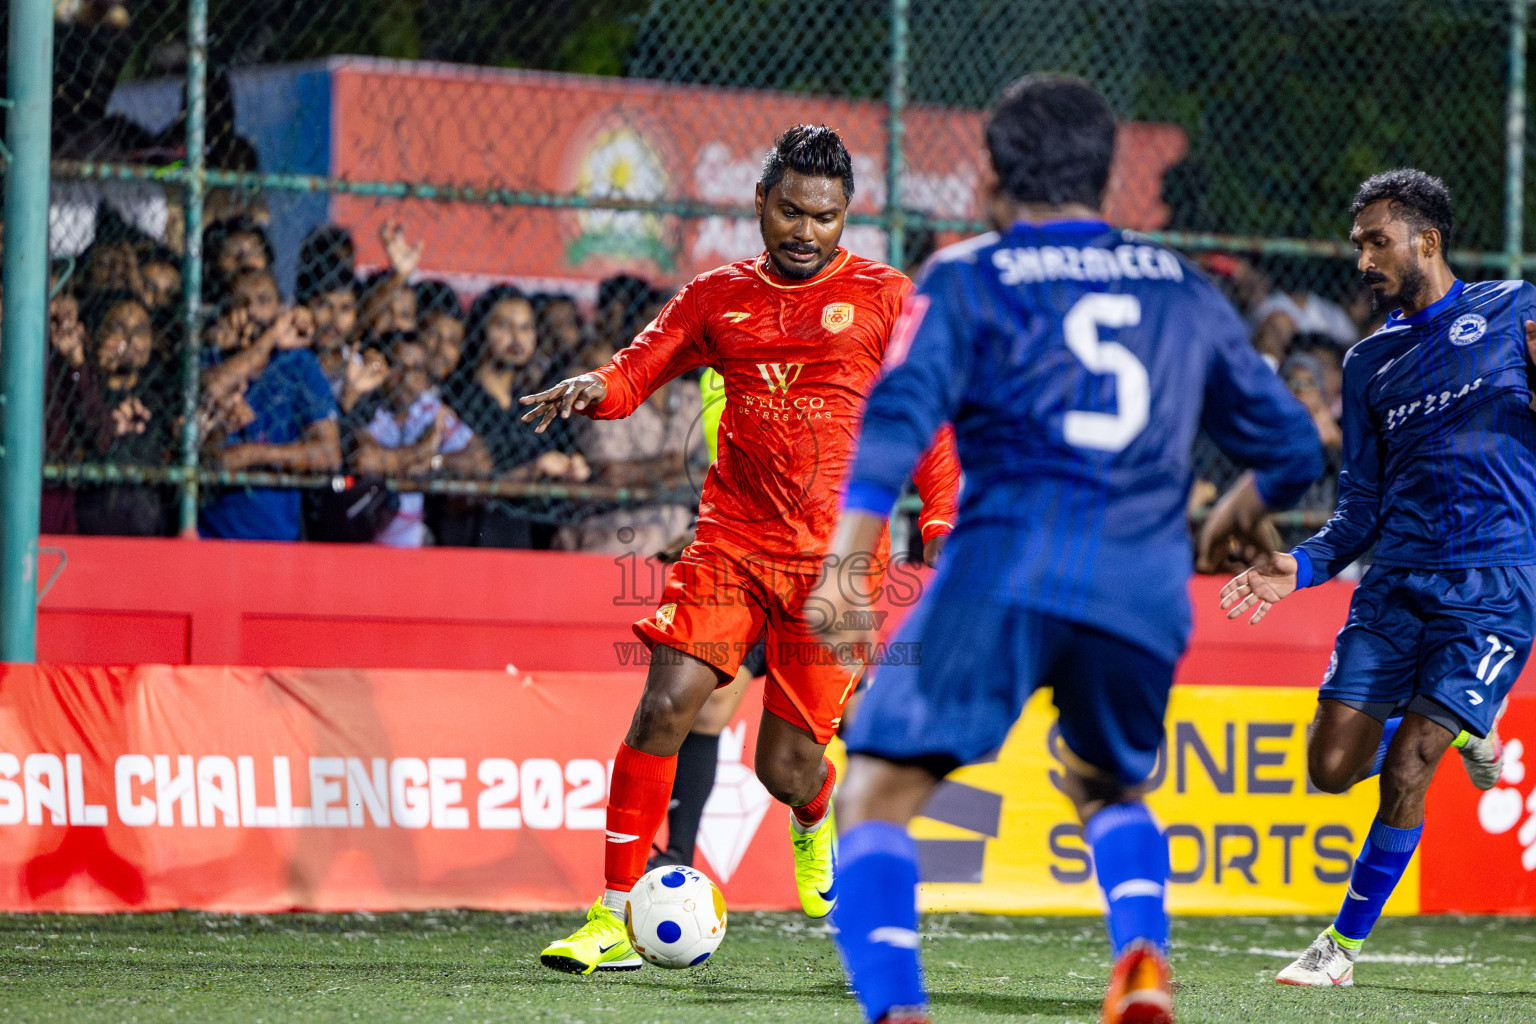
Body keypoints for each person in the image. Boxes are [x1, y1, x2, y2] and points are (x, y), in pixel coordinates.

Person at [805, 75, 1323, 1024]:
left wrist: (847, 563)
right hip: (1141, 586)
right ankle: (1141, 957)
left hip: (1006, 569)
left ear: (995, 176)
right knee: (1105, 780)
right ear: (1106, 173)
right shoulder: (1183, 288)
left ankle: (899, 1011)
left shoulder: (968, 274)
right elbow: (1292, 447)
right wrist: (1228, 516)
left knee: (873, 791)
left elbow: (897, 418)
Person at [521, 124, 960, 976]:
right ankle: (613, 914)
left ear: (847, 218)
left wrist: (940, 527)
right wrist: (593, 387)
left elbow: (932, 423)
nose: (805, 231)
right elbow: (635, 373)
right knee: (663, 706)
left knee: (787, 767)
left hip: (837, 562)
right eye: (790, 211)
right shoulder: (714, 296)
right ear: (760, 203)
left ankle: (815, 812)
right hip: (731, 539)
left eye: (824, 218)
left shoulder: (885, 298)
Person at [1217, 168, 1536, 988]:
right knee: (1330, 770)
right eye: (1359, 243)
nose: (1362, 258)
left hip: (1494, 584)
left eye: (1376, 241)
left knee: (1408, 768)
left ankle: (1341, 948)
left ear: (1426, 240)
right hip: (1393, 583)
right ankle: (1465, 727)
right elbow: (1359, 507)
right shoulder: (1367, 364)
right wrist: (1303, 564)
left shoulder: (1515, 312)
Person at [352, 331, 493, 547]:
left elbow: (480, 462)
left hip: (412, 542)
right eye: (398, 366)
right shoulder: (368, 406)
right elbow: (366, 461)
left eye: (416, 369)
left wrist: (434, 461)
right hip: (362, 537)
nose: (406, 378)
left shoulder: (429, 409)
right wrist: (423, 449)